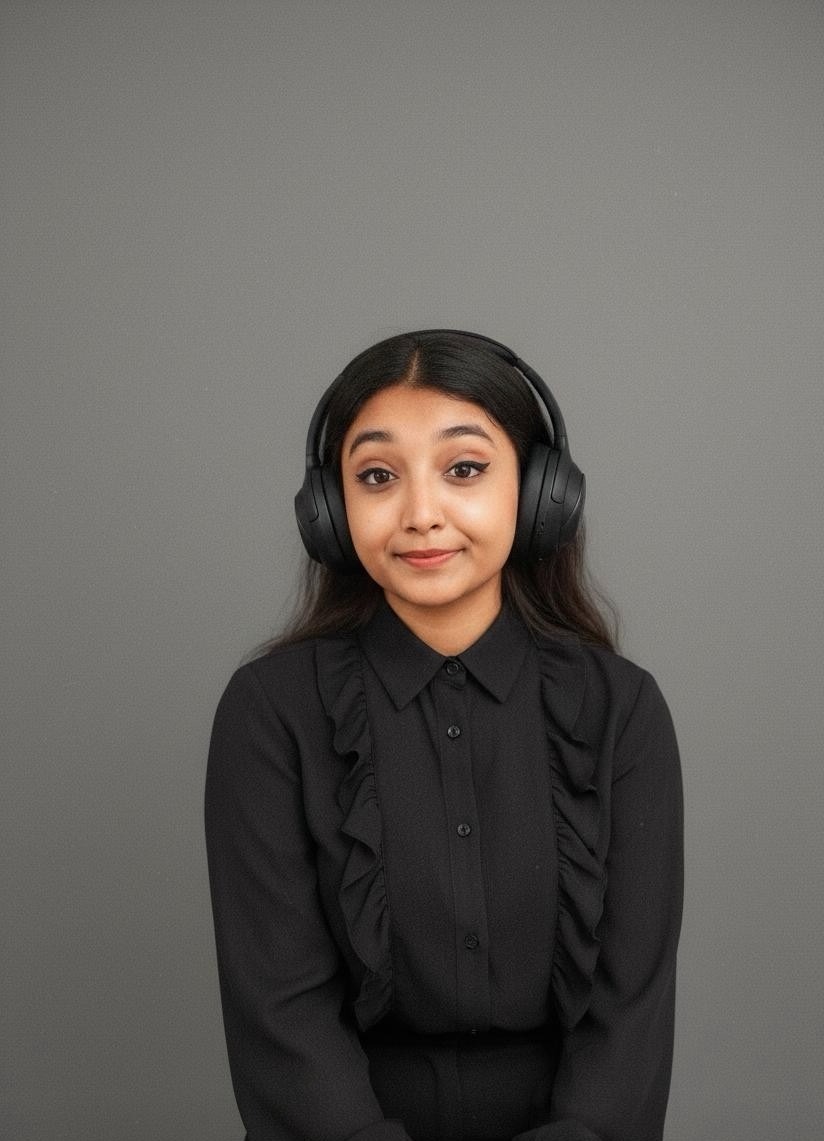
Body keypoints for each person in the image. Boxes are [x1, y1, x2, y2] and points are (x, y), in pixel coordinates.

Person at [205, 329, 684, 1141]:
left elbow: (628, 1013)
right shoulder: (268, 712)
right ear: (330, 511)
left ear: (538, 493)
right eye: (378, 476)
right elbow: (281, 1012)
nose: (421, 513)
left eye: (464, 469)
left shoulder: (623, 710)